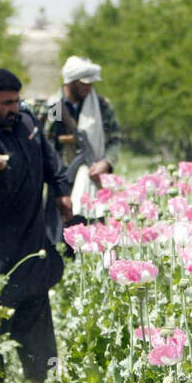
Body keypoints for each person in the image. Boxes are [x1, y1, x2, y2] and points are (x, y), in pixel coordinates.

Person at [0, 68, 72, 383]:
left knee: (38, 317)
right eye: (7, 103)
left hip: (31, 241)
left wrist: (61, 193)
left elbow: (49, 159)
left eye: (16, 100)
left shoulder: (24, 120)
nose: (15, 107)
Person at [36, 55, 122, 244]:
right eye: (83, 83)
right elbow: (48, 139)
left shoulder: (100, 105)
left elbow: (115, 139)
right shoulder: (55, 106)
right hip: (60, 176)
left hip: (92, 174)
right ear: (71, 81)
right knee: (56, 235)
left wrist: (106, 162)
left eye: (90, 83)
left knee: (91, 231)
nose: (88, 87)